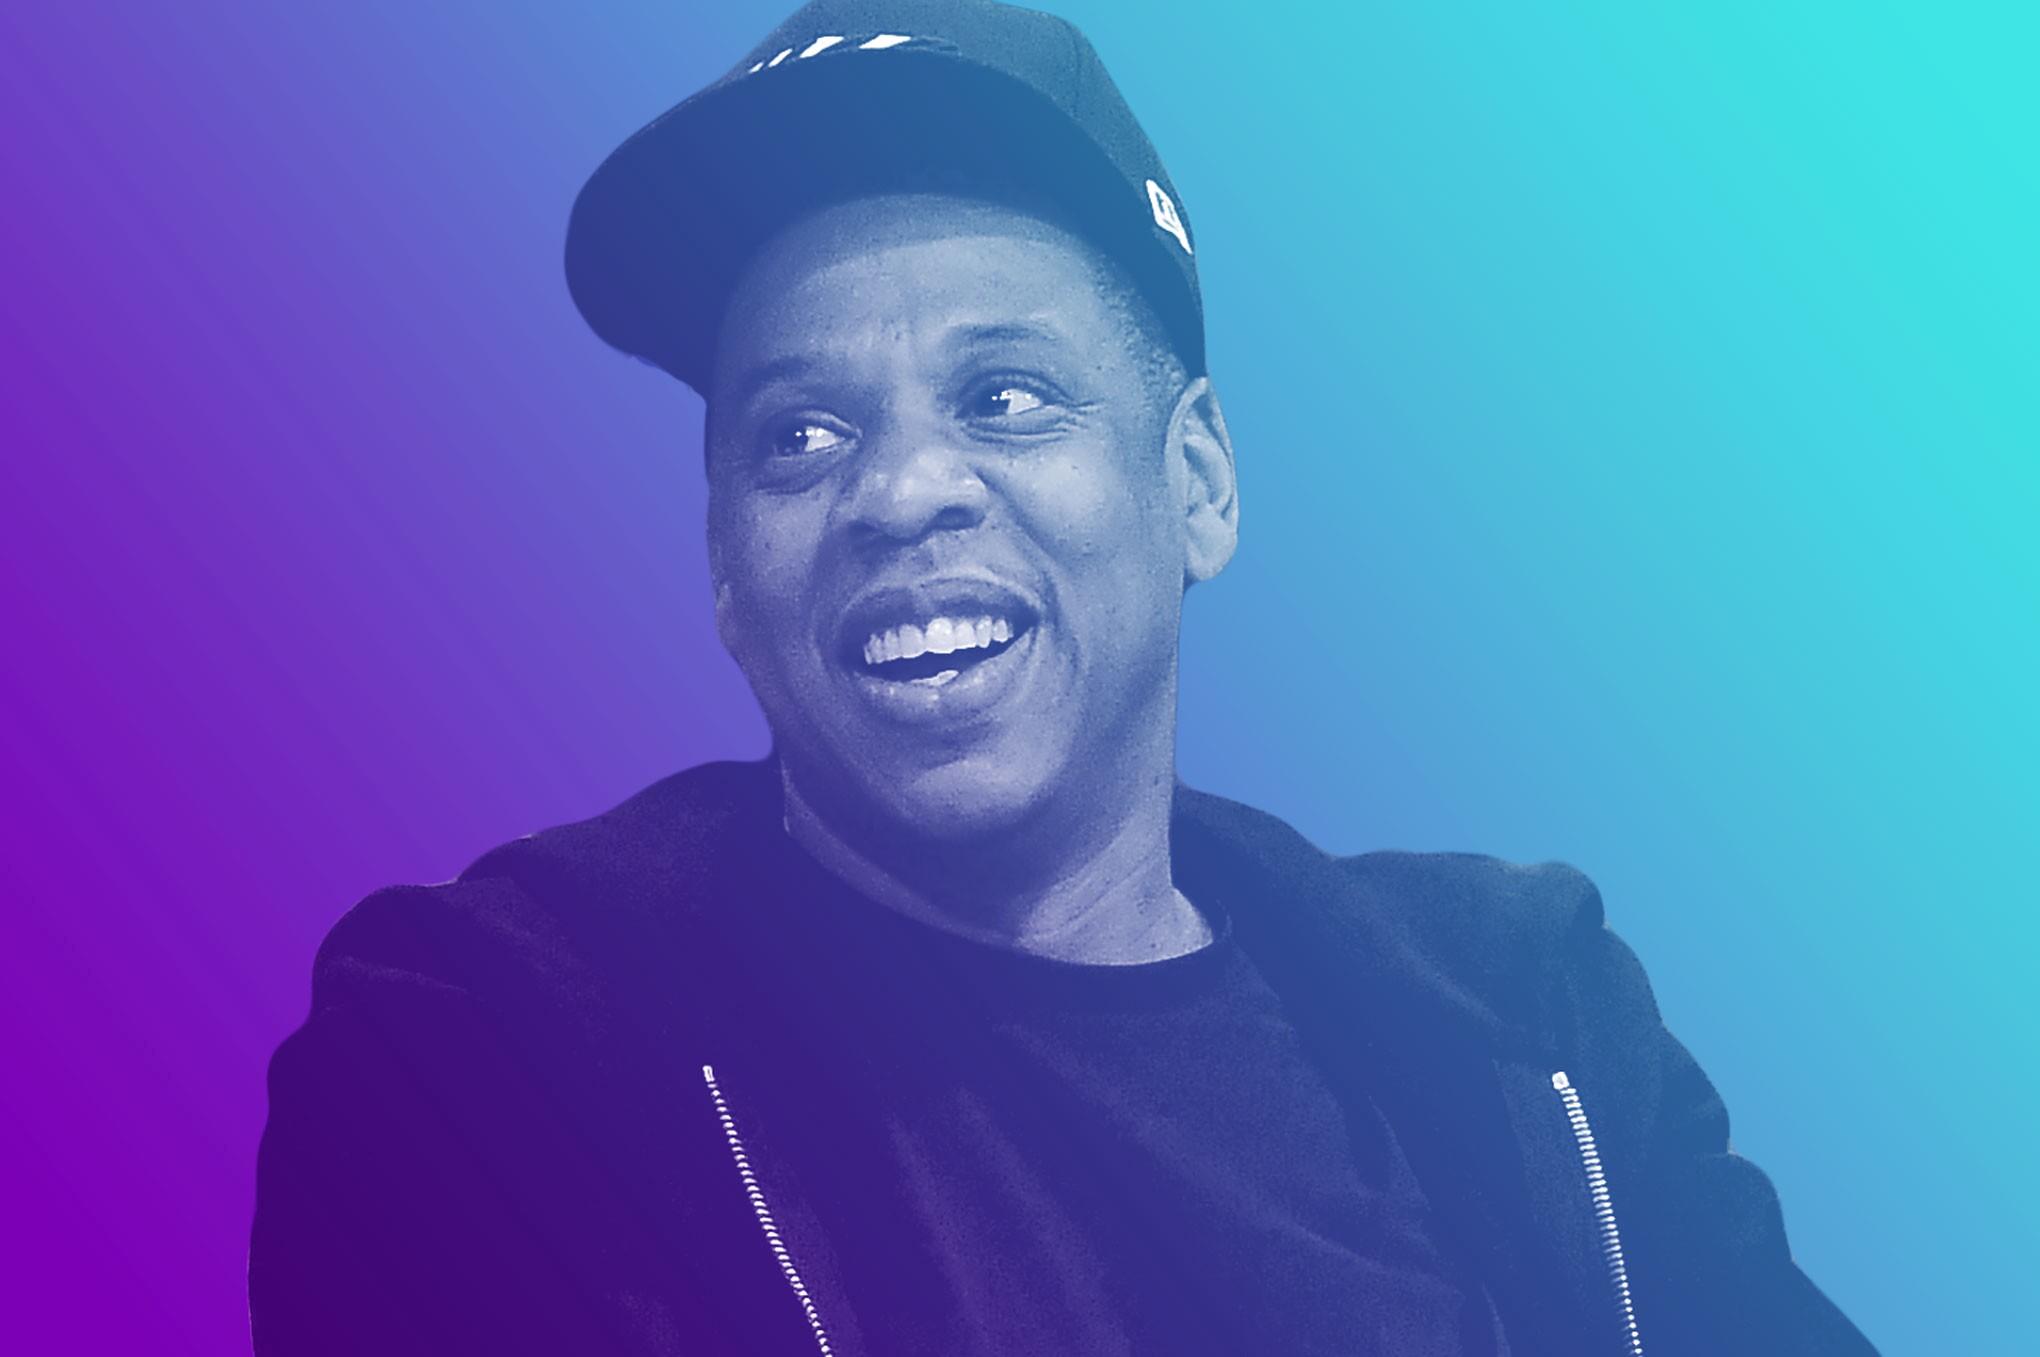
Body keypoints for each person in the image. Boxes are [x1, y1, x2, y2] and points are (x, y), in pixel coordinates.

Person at [249, 2, 1878, 1353]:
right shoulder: (492, 1065)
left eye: (1007, 395)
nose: (899, 491)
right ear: (728, 570)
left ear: (1199, 484)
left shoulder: (1537, 1023)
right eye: (797, 433)